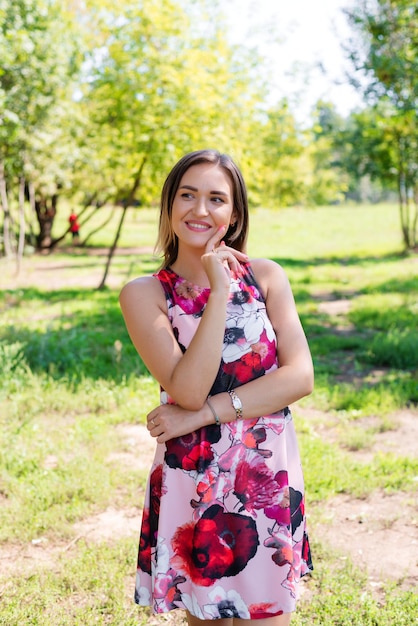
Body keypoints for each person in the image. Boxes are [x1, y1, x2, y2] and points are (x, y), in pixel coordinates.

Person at [119, 149, 314, 625]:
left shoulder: (267, 277)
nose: (200, 210)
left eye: (216, 198)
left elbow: (299, 377)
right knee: (206, 620)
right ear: (169, 205)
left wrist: (203, 414)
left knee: (268, 616)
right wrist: (220, 291)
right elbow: (186, 389)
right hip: (194, 480)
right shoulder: (146, 293)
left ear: (234, 213)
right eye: (187, 195)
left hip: (263, 478)